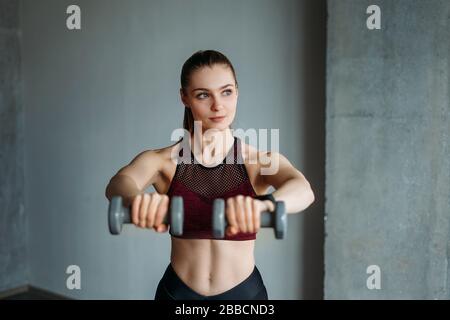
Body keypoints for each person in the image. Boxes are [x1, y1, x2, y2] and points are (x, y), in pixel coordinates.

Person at [105, 50, 315, 300]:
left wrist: (265, 206)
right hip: (179, 294)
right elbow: (119, 183)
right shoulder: (164, 161)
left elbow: (303, 189)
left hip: (244, 296)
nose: (218, 105)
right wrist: (136, 199)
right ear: (185, 97)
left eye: (226, 92)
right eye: (203, 95)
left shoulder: (258, 162)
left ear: (237, 91)